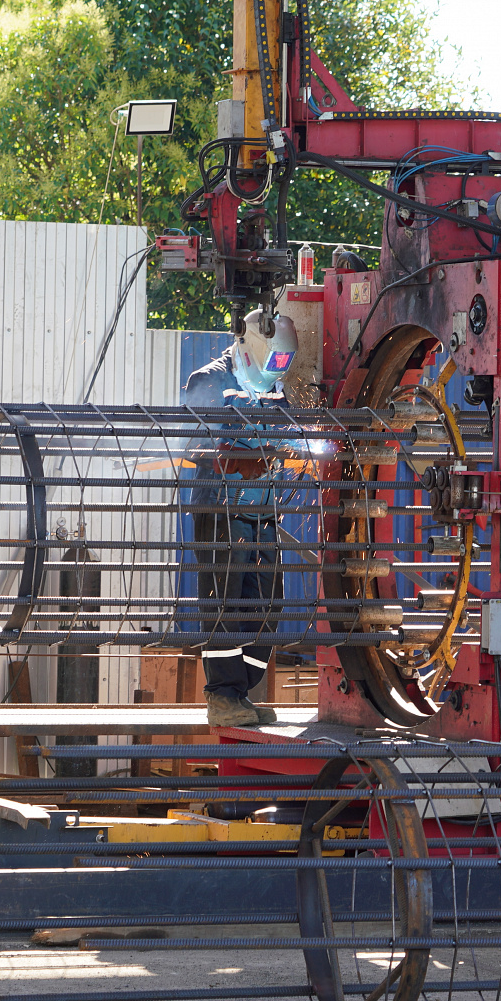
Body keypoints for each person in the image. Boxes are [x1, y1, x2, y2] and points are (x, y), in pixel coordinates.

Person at [181, 309, 300, 729]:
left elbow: (287, 429)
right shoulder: (208, 381)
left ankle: (241, 693)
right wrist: (233, 461)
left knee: (268, 603)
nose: (274, 377)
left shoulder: (276, 386)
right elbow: (189, 444)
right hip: (221, 508)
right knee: (224, 603)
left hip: (262, 511)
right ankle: (222, 696)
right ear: (249, 347)